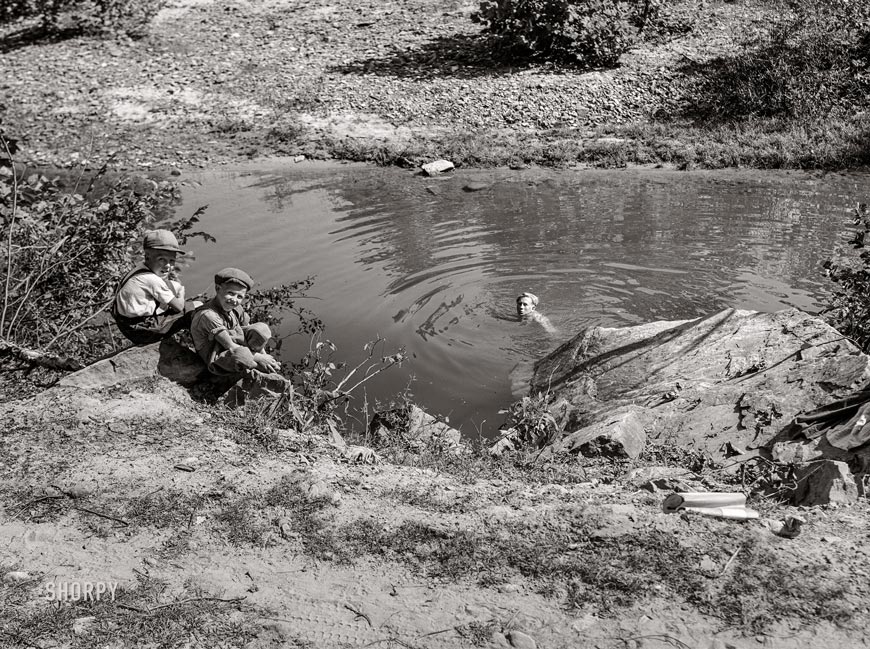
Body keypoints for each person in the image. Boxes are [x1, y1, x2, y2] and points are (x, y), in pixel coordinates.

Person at [190, 267, 282, 377]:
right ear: (218, 288)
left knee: (261, 329)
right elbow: (231, 346)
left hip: (236, 343)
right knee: (242, 356)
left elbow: (248, 328)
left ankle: (263, 364)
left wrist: (266, 356)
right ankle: (257, 368)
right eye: (231, 293)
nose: (234, 300)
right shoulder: (208, 315)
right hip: (218, 352)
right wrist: (261, 359)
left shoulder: (235, 308)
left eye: (239, 296)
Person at [112, 229, 197, 345]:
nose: (168, 266)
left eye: (172, 261)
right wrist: (181, 293)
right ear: (147, 257)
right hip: (142, 331)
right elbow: (178, 307)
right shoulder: (151, 279)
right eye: (161, 259)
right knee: (196, 308)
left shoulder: (138, 271)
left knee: (175, 305)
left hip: (128, 326)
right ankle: (201, 347)